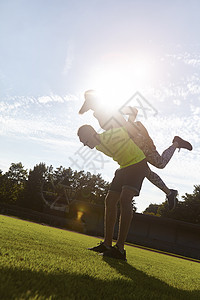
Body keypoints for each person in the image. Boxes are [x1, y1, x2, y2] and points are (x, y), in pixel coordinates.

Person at [79, 90, 193, 209]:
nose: (91, 108)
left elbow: (133, 111)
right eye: (89, 105)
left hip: (137, 138)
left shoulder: (110, 108)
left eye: (91, 103)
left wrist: (128, 128)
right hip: (128, 142)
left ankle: (176, 143)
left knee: (160, 163)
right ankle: (170, 193)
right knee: (144, 170)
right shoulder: (98, 115)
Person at [77, 124, 149, 261]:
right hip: (124, 166)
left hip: (137, 163)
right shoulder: (98, 145)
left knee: (125, 199)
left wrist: (132, 119)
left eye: (84, 142)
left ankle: (120, 249)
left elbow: (126, 127)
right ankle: (107, 244)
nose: (85, 146)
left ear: (90, 134)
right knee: (110, 200)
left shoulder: (109, 135)